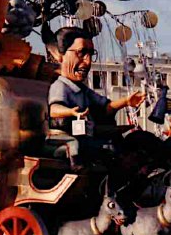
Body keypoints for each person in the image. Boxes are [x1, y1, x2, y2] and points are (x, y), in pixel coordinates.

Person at [48, 27, 144, 169]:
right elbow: (54, 109)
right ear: (59, 55)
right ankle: (78, 172)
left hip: (87, 135)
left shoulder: (84, 90)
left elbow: (105, 107)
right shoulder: (60, 86)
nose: (87, 62)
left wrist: (126, 102)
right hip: (65, 136)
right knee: (77, 146)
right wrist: (71, 112)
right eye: (81, 53)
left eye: (90, 54)